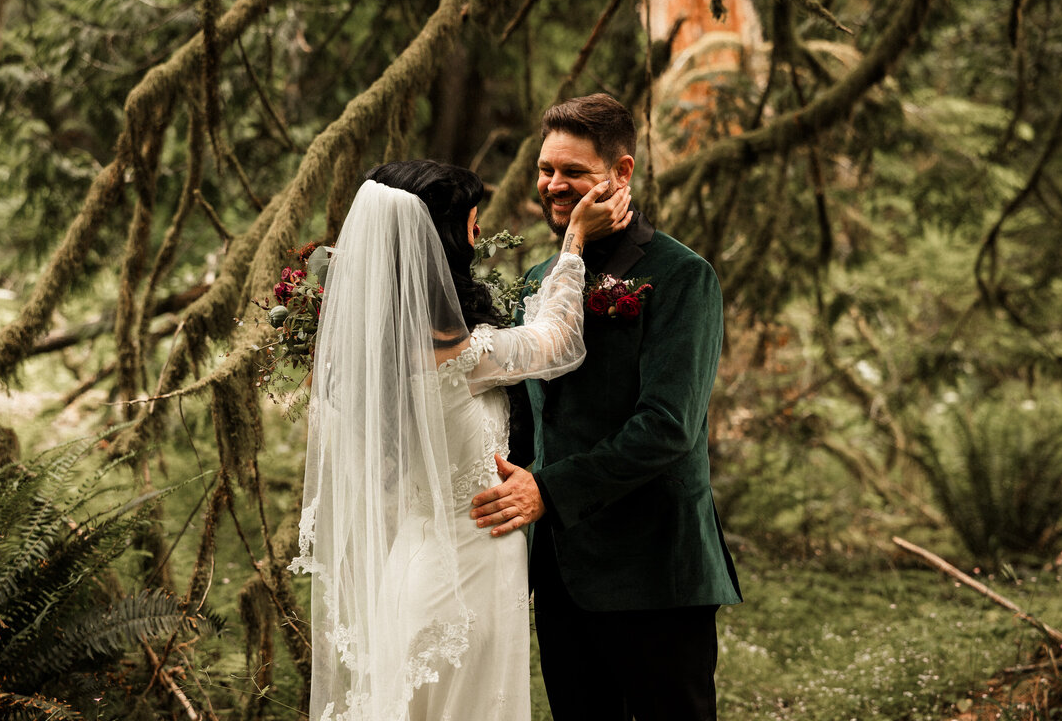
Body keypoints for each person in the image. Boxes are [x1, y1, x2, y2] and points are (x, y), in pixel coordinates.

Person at [289, 160, 631, 721]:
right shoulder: (451, 350)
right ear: (442, 239)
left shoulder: (377, 346)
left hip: (417, 565)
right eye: (473, 223)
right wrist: (574, 241)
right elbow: (557, 340)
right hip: (466, 579)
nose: (479, 233)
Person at [470, 94, 743, 720]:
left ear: (621, 172)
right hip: (560, 572)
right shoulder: (540, 278)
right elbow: (528, 418)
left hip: (654, 570)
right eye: (546, 169)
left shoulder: (681, 276)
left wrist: (548, 490)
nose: (553, 184)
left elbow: (667, 427)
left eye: (574, 171)